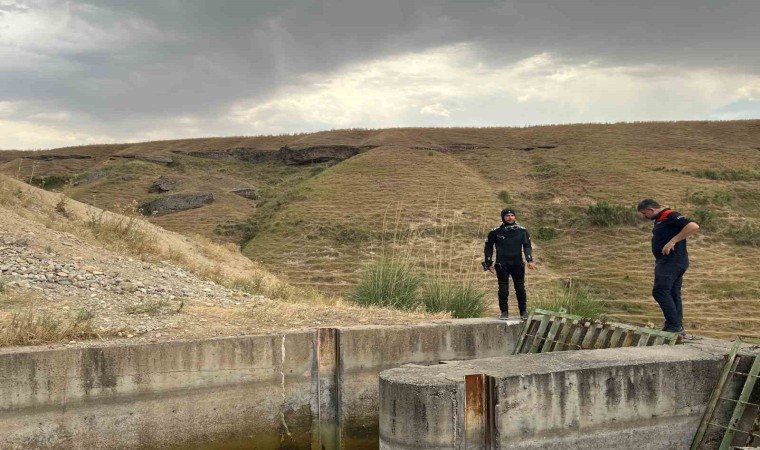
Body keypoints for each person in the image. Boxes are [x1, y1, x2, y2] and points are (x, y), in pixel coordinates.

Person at [637, 199, 700, 335]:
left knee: (660, 291)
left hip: (671, 261)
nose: (644, 217)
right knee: (672, 292)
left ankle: (674, 325)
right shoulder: (661, 219)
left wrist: (672, 241)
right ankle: (676, 325)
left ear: (650, 210)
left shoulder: (670, 215)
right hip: (672, 261)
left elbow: (693, 226)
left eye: (644, 213)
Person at [483, 208, 536, 320]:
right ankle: (504, 312)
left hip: (517, 263)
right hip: (502, 264)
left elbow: (527, 246)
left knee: (520, 288)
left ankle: (523, 312)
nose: (510, 217)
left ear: (515, 217)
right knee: (503, 289)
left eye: (512, 215)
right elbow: (488, 247)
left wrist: (529, 260)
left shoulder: (522, 231)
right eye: (507, 215)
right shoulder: (495, 232)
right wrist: (488, 263)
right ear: (503, 217)